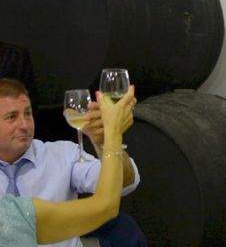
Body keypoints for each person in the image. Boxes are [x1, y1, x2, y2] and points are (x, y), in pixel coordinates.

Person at [0, 78, 141, 247]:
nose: (24, 125)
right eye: (12, 117)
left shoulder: (63, 155)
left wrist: (105, 143)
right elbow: (106, 205)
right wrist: (114, 134)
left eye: (28, 114)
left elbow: (122, 183)